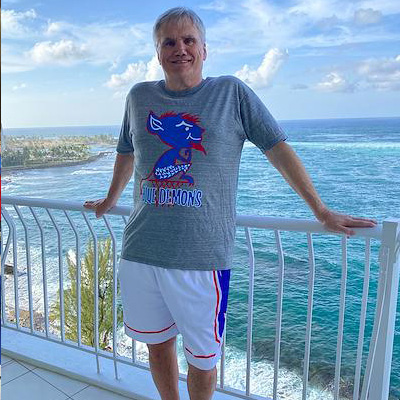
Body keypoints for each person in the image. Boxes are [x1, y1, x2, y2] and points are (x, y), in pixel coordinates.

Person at [84, 7, 377, 400]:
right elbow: (126, 152)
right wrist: (110, 199)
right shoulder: (139, 97)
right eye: (169, 42)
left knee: (203, 359)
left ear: (204, 49)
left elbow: (278, 149)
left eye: (188, 40)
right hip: (141, 249)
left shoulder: (230, 92)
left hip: (201, 257)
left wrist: (320, 210)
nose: (180, 49)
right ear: (158, 52)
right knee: (157, 345)